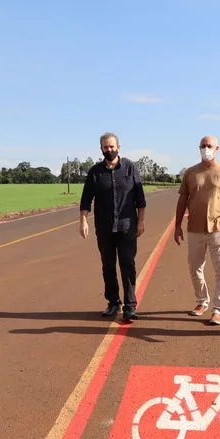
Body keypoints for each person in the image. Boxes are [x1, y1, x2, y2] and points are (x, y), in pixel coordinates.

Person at [79, 132, 147, 321]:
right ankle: (113, 303)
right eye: (105, 147)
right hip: (104, 227)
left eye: (112, 146)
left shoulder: (130, 168)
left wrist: (141, 221)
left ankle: (130, 306)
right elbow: (86, 199)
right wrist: (83, 220)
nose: (109, 150)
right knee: (107, 266)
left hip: (127, 227)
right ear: (101, 148)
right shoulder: (95, 172)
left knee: (127, 265)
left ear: (119, 147)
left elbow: (140, 199)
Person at [174, 135, 220, 326]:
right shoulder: (190, 173)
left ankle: (218, 309)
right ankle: (202, 300)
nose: (206, 149)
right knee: (195, 269)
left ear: (217, 148)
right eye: (203, 146)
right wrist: (177, 226)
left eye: (209, 146)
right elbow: (182, 200)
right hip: (194, 228)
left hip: (217, 228)